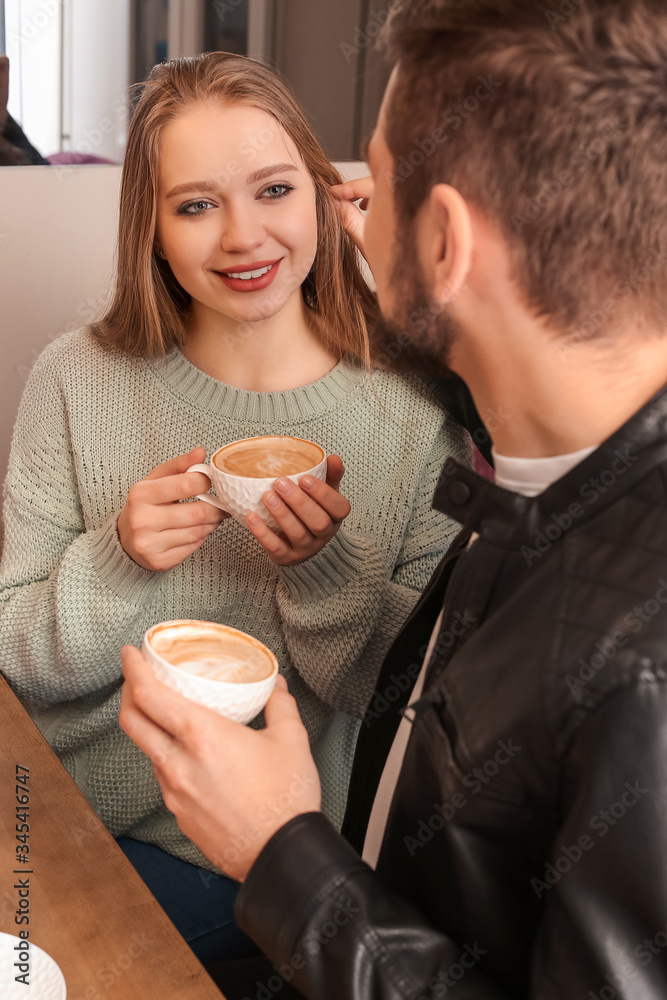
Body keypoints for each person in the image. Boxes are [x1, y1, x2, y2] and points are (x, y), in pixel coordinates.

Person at [119, 0, 667, 996]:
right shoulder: (540, 454)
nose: (346, 210)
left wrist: (280, 850)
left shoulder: (641, 668)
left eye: (374, 181)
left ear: (448, 241)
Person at [0, 51, 474, 962]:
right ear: (153, 230)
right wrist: (118, 559)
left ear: (328, 200)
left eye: (272, 190)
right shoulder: (76, 379)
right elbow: (18, 661)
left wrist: (321, 569)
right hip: (53, 820)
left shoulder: (415, 416)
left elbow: (382, 709)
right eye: (194, 205)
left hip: (247, 865)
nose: (241, 238)